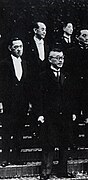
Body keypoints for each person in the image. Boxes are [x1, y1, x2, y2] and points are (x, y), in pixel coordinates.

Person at [37, 48, 76, 180]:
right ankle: (45, 171)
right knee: (49, 143)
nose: (60, 61)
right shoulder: (43, 76)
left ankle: (62, 170)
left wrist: (73, 112)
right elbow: (39, 97)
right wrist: (40, 114)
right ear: (50, 59)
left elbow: (71, 96)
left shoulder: (67, 76)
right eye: (57, 58)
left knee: (64, 143)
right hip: (50, 116)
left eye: (62, 58)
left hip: (65, 116)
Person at [0, 37, 31, 167]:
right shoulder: (4, 63)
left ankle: (17, 157)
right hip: (8, 103)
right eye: (16, 47)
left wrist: (29, 103)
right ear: (10, 48)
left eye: (21, 46)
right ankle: (4, 158)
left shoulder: (25, 63)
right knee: (7, 131)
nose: (19, 49)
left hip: (21, 104)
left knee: (19, 131)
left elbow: (27, 85)